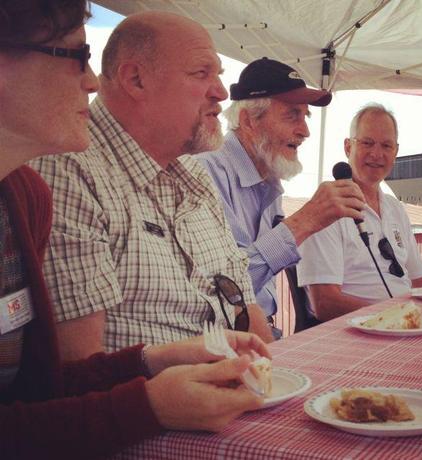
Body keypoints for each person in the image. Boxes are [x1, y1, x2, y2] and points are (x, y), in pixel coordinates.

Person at [0, 2, 270, 458]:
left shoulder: (21, 195)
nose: (90, 82)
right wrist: (149, 403)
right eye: (76, 56)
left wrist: (153, 361)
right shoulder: (58, 174)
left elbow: (37, 385)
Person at [31, 10, 274, 360]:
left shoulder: (194, 173)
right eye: (201, 73)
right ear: (136, 80)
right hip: (157, 410)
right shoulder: (68, 169)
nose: (221, 92)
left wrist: (277, 381)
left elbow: (244, 305)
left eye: (218, 75)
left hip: (235, 396)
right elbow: (81, 370)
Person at [197, 58, 366, 336]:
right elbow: (223, 289)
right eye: (292, 115)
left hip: (265, 336)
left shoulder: (269, 177)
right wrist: (305, 221)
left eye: (305, 116)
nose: (305, 131)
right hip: (222, 348)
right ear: (249, 121)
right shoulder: (207, 172)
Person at [297, 103, 422, 322]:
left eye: (386, 146)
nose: (377, 154)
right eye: (367, 143)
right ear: (348, 147)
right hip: (356, 332)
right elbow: (324, 303)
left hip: (404, 323)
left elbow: (421, 280)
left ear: (396, 152)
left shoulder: (395, 208)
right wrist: (392, 315)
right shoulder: (325, 209)